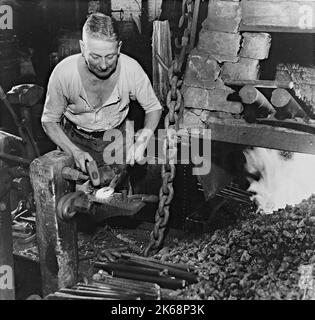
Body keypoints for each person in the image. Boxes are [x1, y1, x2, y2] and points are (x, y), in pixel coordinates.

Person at [41, 13, 162, 176]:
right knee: (76, 195)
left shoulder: (132, 70)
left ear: (119, 48)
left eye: (110, 56)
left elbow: (153, 108)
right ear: (83, 48)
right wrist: (74, 152)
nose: (104, 65)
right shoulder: (64, 74)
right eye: (96, 57)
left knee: (119, 193)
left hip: (118, 139)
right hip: (75, 139)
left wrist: (142, 140)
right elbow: (49, 121)